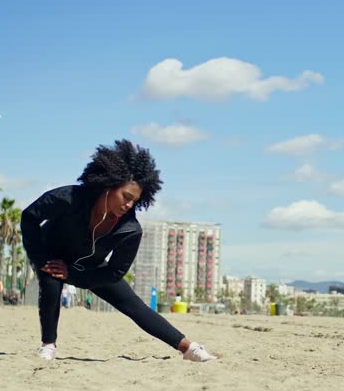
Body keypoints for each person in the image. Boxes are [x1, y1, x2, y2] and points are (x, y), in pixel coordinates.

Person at [21, 139, 216, 362]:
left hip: (90, 266)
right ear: (108, 185)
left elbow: (114, 272)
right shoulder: (68, 199)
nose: (129, 205)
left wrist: (72, 275)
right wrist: (40, 258)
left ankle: (189, 348)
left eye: (135, 201)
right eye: (126, 196)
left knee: (131, 303)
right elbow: (29, 217)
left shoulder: (130, 230)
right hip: (52, 253)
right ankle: (48, 345)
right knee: (51, 281)